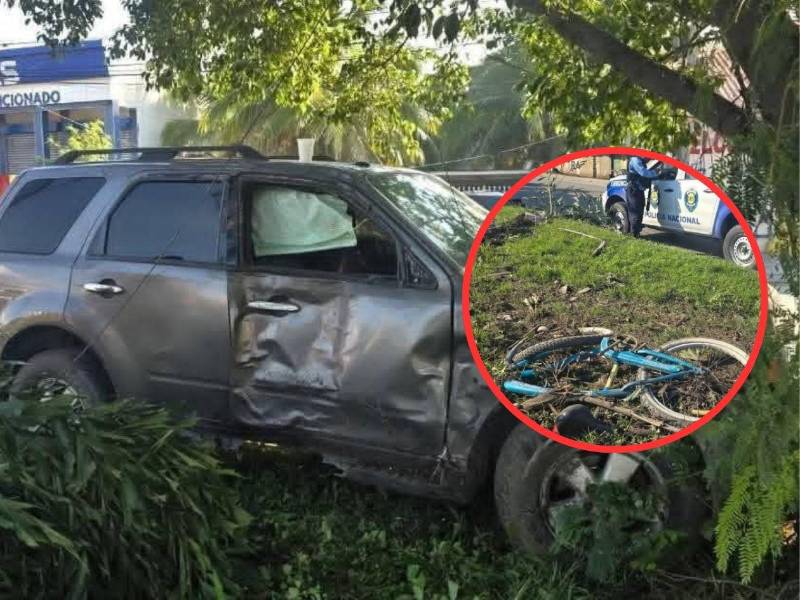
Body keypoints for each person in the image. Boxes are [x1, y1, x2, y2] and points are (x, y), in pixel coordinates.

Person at [626, 156, 661, 237]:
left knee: (640, 210)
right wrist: (656, 173)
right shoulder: (635, 160)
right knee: (635, 212)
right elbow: (643, 172)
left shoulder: (641, 161)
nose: (649, 159)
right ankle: (634, 235)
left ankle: (636, 232)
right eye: (648, 157)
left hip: (638, 190)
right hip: (633, 190)